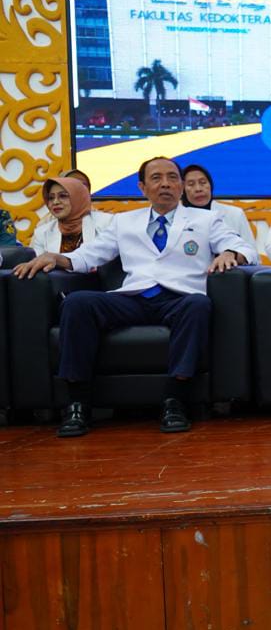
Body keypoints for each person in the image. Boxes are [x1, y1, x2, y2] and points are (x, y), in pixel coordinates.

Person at [12, 156, 254, 437]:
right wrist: (55, 257)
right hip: (133, 297)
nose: (165, 184)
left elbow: (243, 247)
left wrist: (229, 253)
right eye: (156, 178)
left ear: (180, 186)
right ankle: (77, 404)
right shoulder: (124, 221)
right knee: (78, 303)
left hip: (180, 299)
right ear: (142, 187)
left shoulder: (206, 219)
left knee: (199, 304)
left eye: (172, 178)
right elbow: (90, 255)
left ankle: (175, 400)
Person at [182, 164, 258, 257]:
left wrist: (233, 255)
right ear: (182, 190)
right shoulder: (176, 217)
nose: (198, 189)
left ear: (211, 185)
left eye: (203, 182)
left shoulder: (235, 214)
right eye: (191, 184)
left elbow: (253, 255)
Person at [29, 177, 114, 254]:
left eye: (63, 196)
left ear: (78, 198)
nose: (55, 202)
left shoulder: (106, 223)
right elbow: (38, 263)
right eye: (51, 198)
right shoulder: (42, 233)